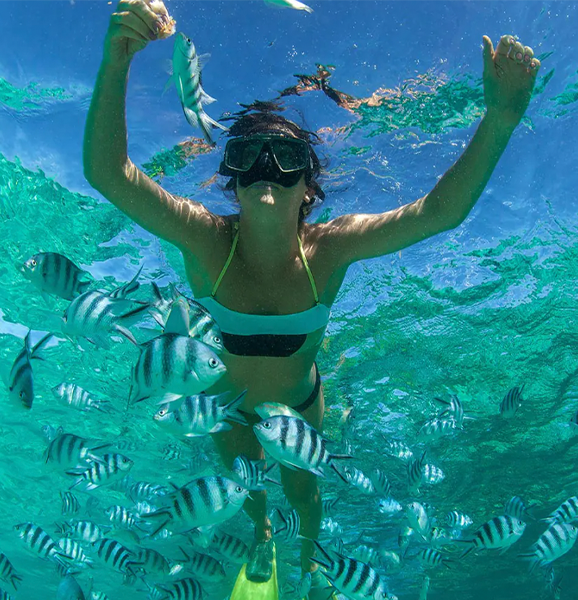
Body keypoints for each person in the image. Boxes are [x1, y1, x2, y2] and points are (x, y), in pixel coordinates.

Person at [83, 1, 540, 597]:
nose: (266, 169)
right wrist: (115, 61)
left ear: (308, 184)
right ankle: (261, 540)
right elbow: (109, 174)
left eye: (287, 158)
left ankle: (310, 562)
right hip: (225, 410)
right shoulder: (202, 235)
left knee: (305, 491)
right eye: (246, 157)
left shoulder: (331, 248)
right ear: (230, 178)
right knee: (247, 496)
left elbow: (439, 212)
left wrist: (501, 117)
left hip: (303, 407)